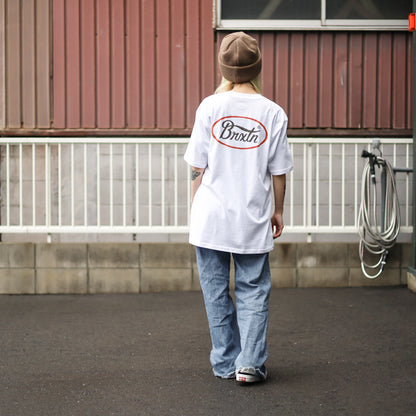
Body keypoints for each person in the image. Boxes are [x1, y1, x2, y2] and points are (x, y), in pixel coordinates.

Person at [184, 32, 293, 383]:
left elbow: (196, 168)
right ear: (257, 67)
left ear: (224, 69)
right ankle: (249, 364)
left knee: (216, 292)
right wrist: (278, 210)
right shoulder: (273, 112)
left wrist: (194, 210)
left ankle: (224, 363)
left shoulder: (209, 107)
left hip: (210, 218)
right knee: (253, 290)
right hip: (251, 217)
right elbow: (279, 172)